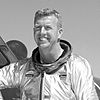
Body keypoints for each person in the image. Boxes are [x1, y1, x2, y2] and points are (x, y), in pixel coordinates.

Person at [0, 8, 99, 100]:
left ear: (59, 33)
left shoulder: (76, 66)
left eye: (48, 28)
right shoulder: (23, 68)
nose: (42, 32)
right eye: (38, 28)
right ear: (33, 31)